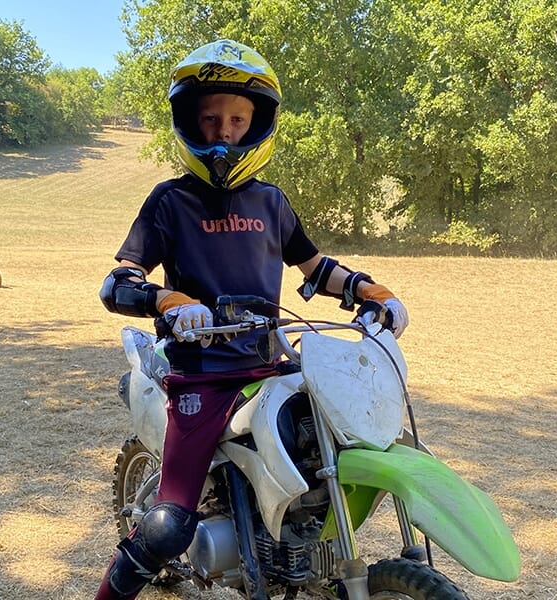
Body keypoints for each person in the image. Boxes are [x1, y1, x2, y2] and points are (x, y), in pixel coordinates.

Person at [96, 39, 409, 600]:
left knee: (329, 447)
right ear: (190, 123)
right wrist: (169, 302)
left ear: (257, 124)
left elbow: (315, 267)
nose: (224, 132)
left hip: (269, 365)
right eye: (211, 118)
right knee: (169, 523)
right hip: (202, 375)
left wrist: (369, 290)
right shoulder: (169, 202)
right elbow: (120, 281)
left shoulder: (272, 202)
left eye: (238, 119)